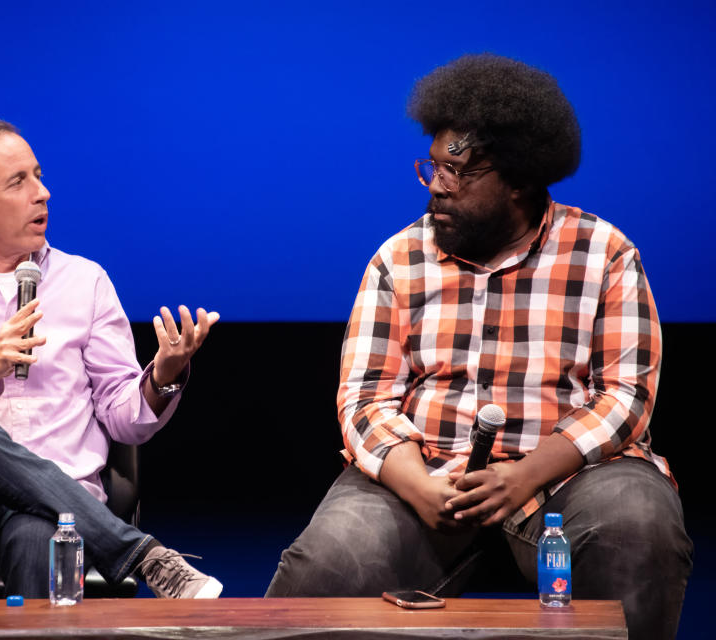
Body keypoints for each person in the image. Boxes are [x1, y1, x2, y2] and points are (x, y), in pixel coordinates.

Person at [266, 54, 692, 639]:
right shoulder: (400, 258)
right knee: (329, 560)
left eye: (460, 172)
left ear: (519, 178)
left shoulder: (604, 253)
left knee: (640, 527)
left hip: (568, 476)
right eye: (434, 166)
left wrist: (523, 477)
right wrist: (416, 483)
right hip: (429, 468)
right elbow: (365, 398)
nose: (438, 186)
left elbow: (625, 395)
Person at [0, 120, 223, 599]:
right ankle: (141, 554)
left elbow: (122, 419)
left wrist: (164, 376)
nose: (43, 193)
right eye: (18, 182)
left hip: (61, 516)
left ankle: (119, 556)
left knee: (40, 531)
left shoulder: (85, 281)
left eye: (38, 175)